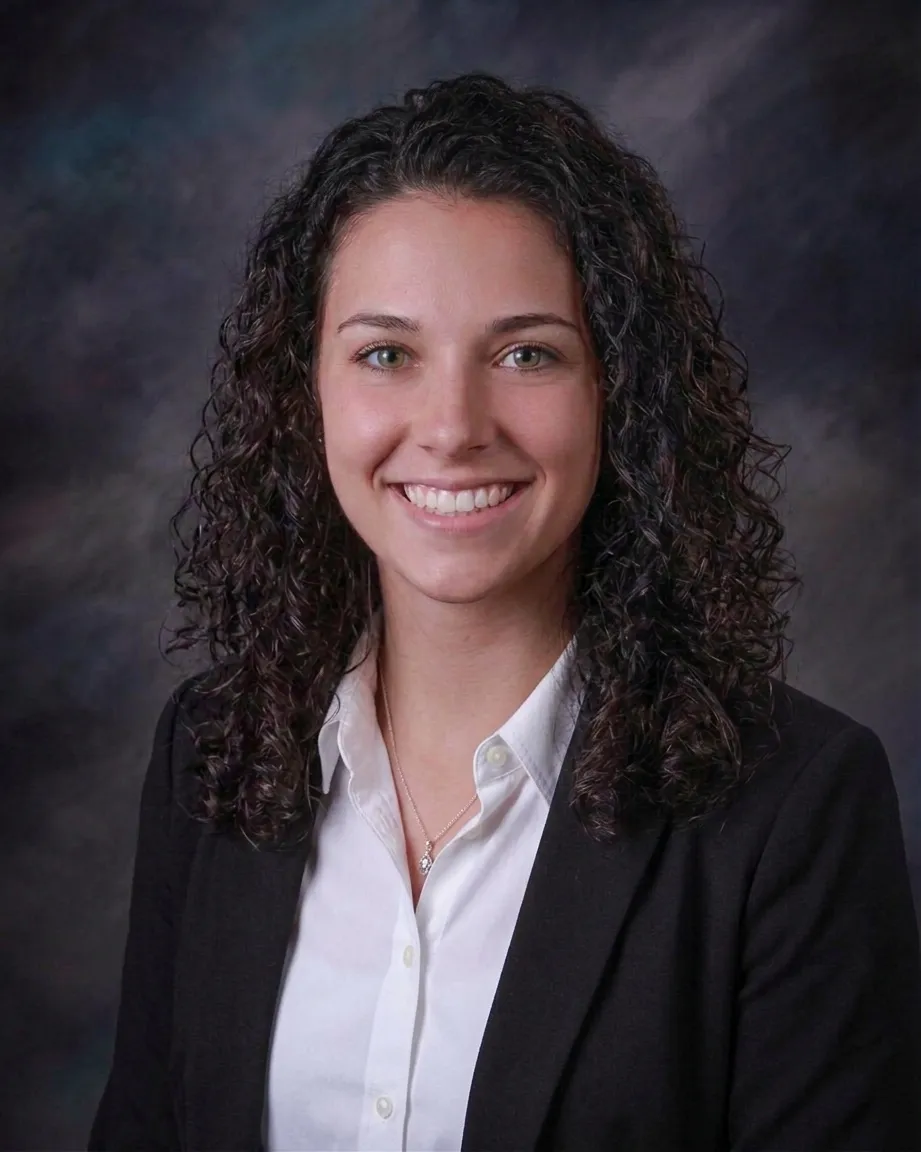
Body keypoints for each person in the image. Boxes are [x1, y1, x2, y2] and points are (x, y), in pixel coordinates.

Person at [88, 72, 921, 1151]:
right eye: (386, 354)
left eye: (527, 353)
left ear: (619, 391)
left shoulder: (794, 809)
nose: (452, 426)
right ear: (309, 393)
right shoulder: (211, 752)